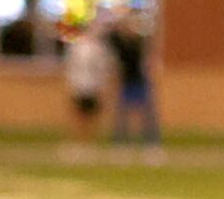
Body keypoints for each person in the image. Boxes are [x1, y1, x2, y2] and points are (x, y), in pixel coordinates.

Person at [104, 8, 160, 150]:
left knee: (147, 112)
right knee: (122, 113)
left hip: (140, 80)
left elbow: (148, 60)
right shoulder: (119, 43)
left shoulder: (140, 43)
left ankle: (151, 142)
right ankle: (120, 141)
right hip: (126, 81)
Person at [62, 18, 110, 143]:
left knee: (92, 114)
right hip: (79, 84)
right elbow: (71, 66)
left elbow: (103, 68)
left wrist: (102, 85)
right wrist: (71, 83)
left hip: (94, 85)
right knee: (78, 113)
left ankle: (90, 140)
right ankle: (78, 140)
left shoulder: (99, 48)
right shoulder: (77, 47)